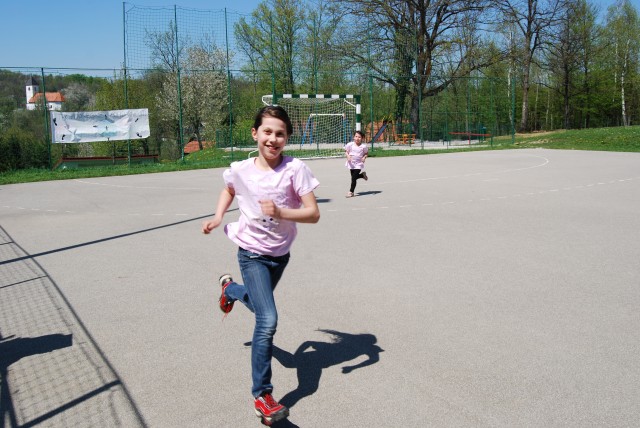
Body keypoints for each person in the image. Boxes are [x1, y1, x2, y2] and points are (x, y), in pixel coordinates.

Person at [202, 105, 320, 424]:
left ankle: (230, 289)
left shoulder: (296, 170)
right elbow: (228, 189)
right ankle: (263, 396)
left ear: (287, 138)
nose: (273, 138)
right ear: (255, 134)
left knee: (257, 304)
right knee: (267, 319)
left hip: (280, 254)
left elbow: (313, 213)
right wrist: (217, 216)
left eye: (280, 133)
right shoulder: (241, 170)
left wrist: (282, 213)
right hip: (251, 253)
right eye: (267, 131)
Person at [344, 130, 369, 197]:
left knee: (353, 178)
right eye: (356, 136)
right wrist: (348, 156)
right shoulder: (350, 144)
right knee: (353, 177)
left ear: (362, 138)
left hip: (358, 164)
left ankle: (351, 192)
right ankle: (362, 175)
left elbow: (366, 153)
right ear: (354, 137)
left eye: (359, 137)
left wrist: (364, 157)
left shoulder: (363, 146)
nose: (357, 138)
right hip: (351, 163)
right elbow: (346, 151)